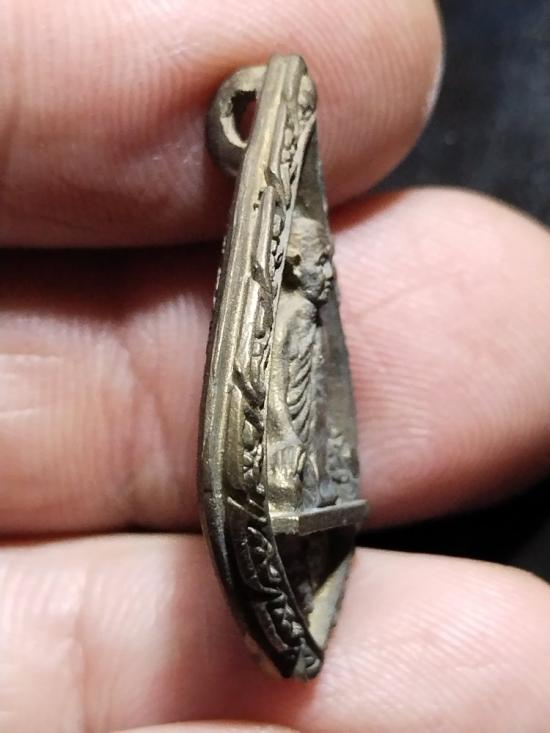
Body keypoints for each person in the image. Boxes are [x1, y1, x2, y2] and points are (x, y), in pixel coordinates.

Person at [1, 1, 549, 732]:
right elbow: (286, 399)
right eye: (313, 265)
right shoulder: (288, 314)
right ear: (293, 264)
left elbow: (309, 393)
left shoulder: (304, 309)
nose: (323, 274)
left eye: (322, 265)